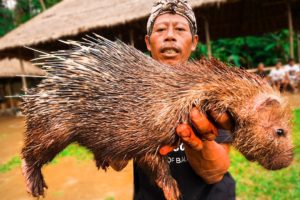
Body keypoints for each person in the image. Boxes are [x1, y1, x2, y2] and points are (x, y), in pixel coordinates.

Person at [111, 1, 235, 199]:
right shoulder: (130, 92)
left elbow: (215, 173)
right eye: (160, 29)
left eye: (179, 29)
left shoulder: (211, 90)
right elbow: (116, 164)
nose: (170, 36)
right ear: (147, 42)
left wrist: (199, 143)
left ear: (194, 42)